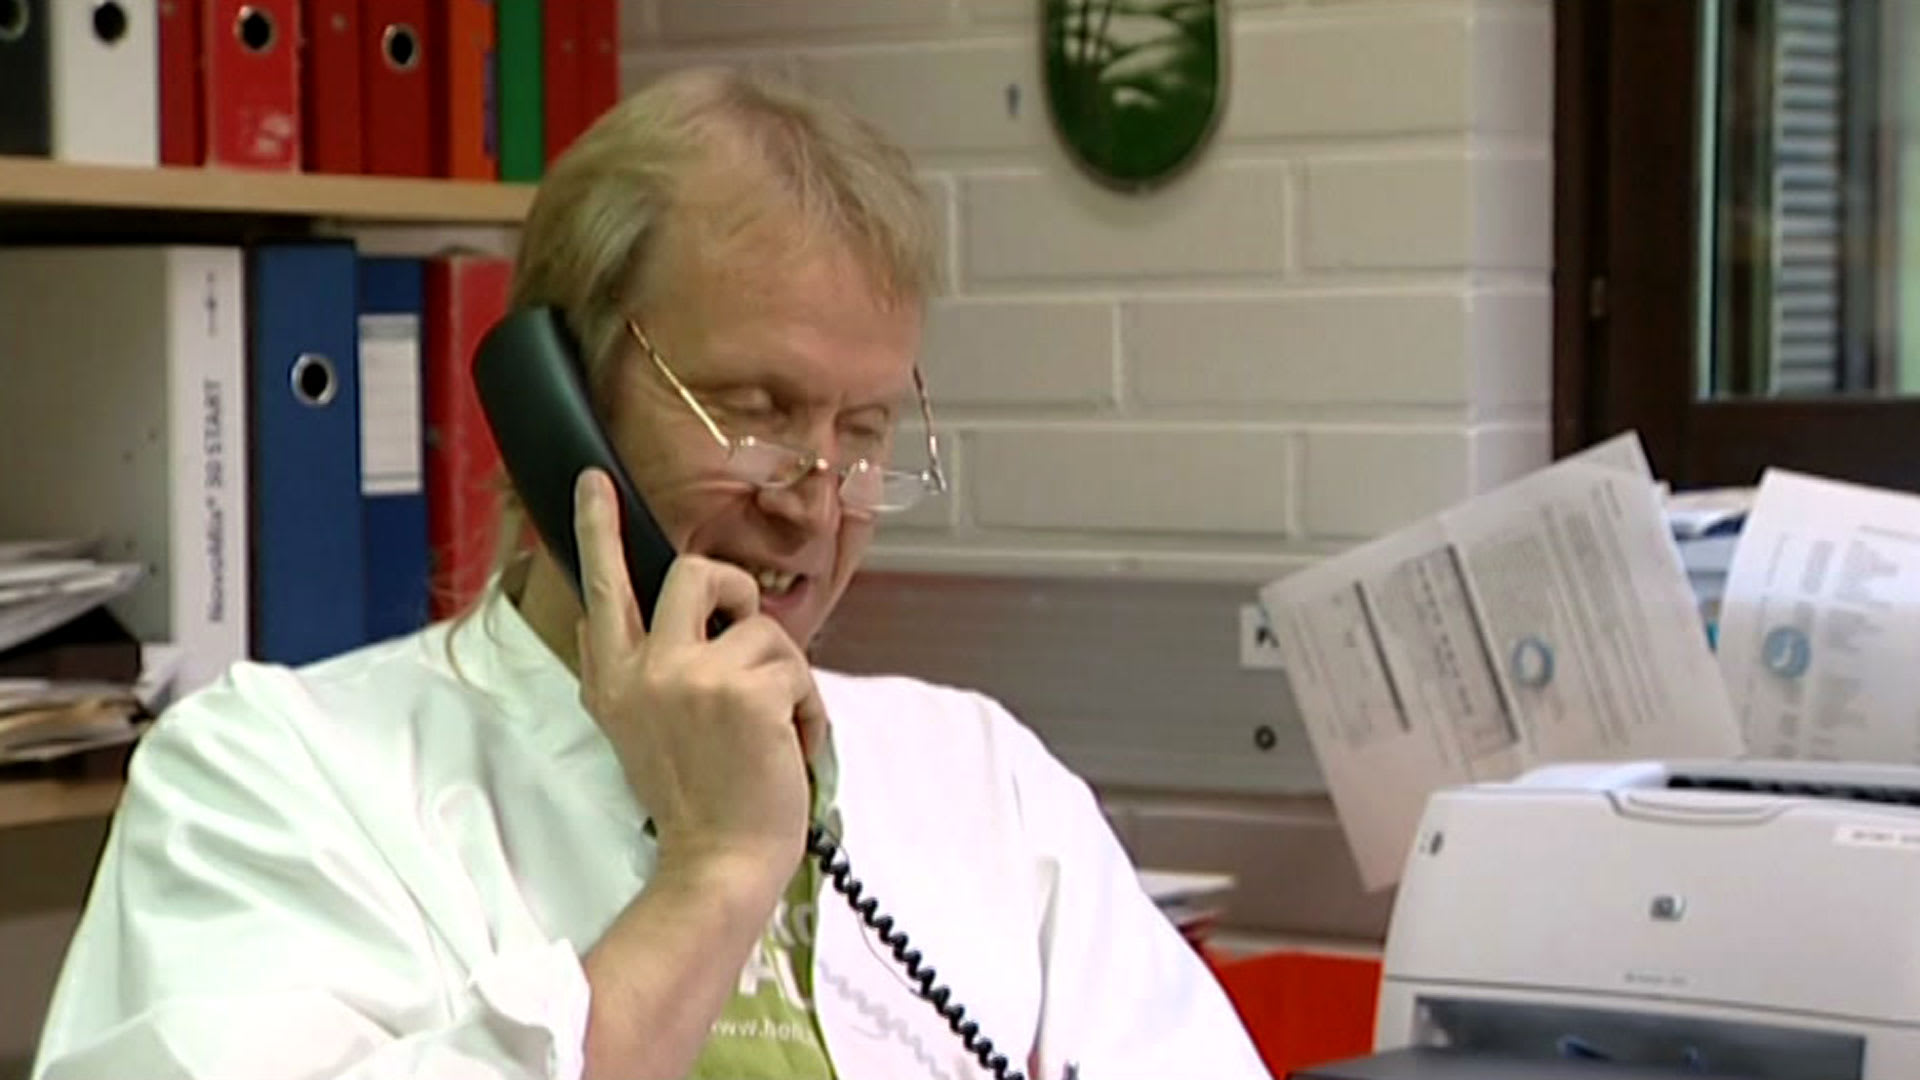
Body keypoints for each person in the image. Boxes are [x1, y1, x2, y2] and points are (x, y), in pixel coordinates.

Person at [30, 67, 1272, 1080]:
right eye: (756, 410)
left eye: (864, 432)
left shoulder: (984, 784)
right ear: (554, 402)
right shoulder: (271, 780)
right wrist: (716, 871)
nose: (816, 500)